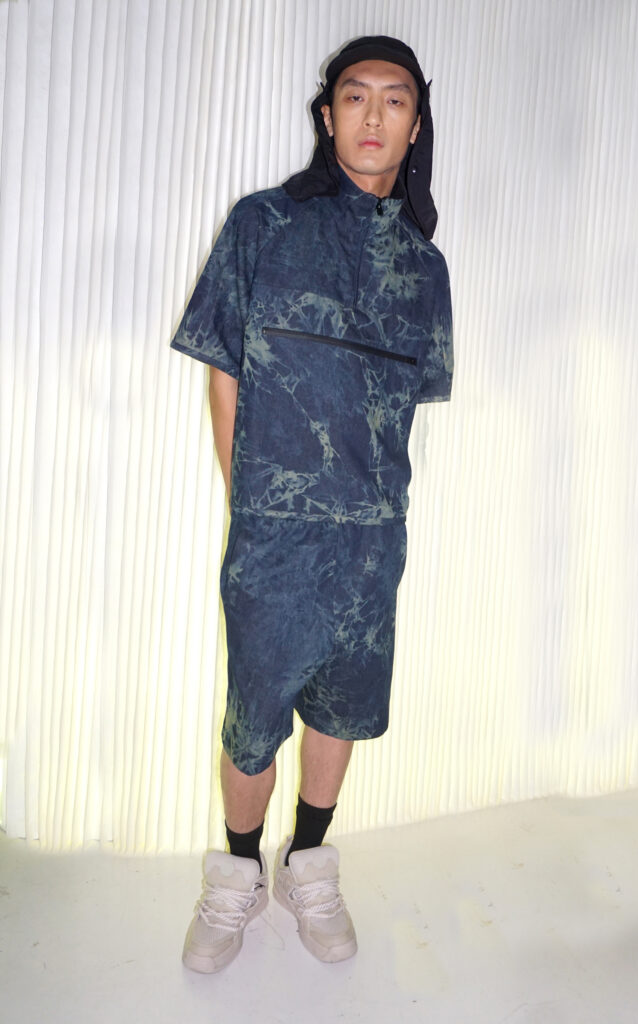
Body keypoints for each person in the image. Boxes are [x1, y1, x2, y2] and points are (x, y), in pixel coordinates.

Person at [170, 35, 453, 972]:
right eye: (355, 96)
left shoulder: (425, 268)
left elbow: (402, 410)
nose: (373, 115)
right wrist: (251, 498)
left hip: (372, 539)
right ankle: (237, 876)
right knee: (254, 719)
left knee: (341, 710)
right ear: (327, 116)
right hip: (275, 535)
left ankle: (309, 866)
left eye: (394, 100)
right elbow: (223, 369)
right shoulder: (264, 224)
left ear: (415, 125)